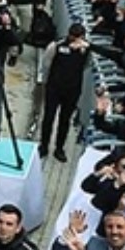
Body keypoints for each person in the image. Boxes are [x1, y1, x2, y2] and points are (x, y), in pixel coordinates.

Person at [35, 24, 91, 163]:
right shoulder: (57, 45)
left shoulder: (86, 49)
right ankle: (44, 145)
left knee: (65, 120)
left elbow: (86, 65)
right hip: (54, 87)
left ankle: (59, 148)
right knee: (48, 117)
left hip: (72, 89)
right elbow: (46, 63)